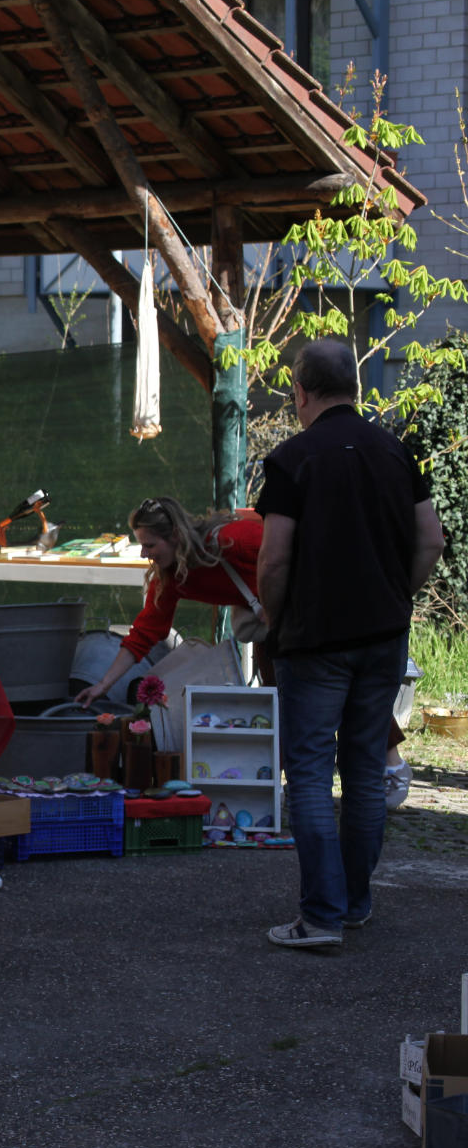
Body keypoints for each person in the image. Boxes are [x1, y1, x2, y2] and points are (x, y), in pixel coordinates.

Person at [255, 339, 444, 948]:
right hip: (383, 635)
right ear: (356, 391)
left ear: (301, 393)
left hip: (314, 641)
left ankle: (320, 917)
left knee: (308, 775)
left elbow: (275, 558)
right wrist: (397, 594)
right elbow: (432, 541)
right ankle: (355, 904)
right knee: (364, 771)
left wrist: (271, 620)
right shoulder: (397, 452)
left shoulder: (291, 460)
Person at [74, 497, 266, 708]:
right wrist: (103, 685)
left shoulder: (234, 540)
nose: (143, 553)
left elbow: (289, 557)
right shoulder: (171, 576)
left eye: (150, 545)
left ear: (175, 535)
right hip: (269, 626)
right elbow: (144, 632)